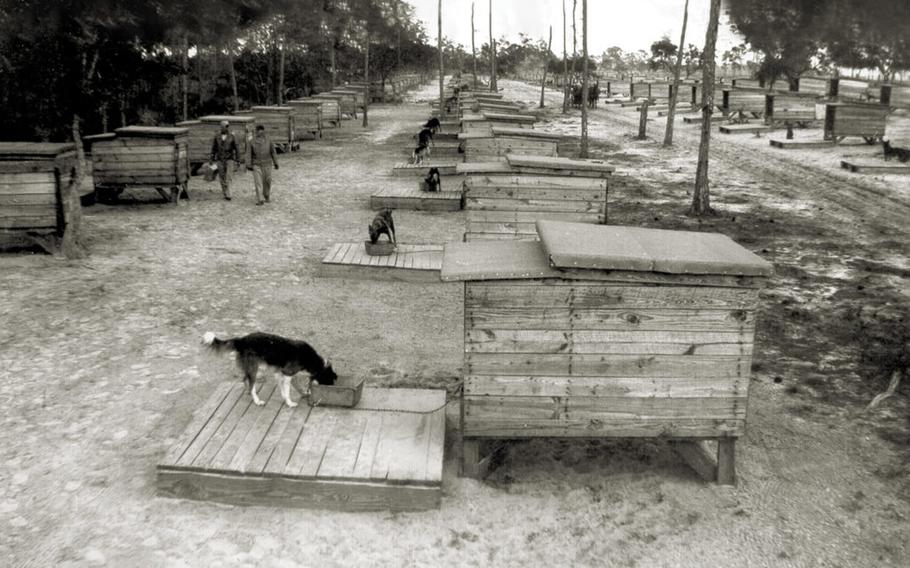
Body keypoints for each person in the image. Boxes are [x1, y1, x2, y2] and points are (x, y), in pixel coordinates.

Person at [246, 124, 279, 205]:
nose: (259, 132)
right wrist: (248, 164)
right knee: (258, 182)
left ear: (263, 131)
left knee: (267, 181)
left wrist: (276, 162)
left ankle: (266, 195)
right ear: (256, 131)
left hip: (267, 164)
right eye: (257, 131)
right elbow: (248, 153)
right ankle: (260, 199)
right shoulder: (252, 141)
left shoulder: (269, 140)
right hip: (256, 165)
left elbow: (273, 152)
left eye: (261, 130)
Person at [210, 120, 239, 200]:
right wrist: (211, 158)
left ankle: (229, 193)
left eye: (227, 126)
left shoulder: (232, 136)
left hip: (230, 159)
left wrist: (238, 159)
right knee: (222, 177)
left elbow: (236, 148)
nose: (226, 128)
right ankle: (225, 192)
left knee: (229, 177)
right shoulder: (217, 136)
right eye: (225, 126)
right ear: (221, 127)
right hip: (220, 159)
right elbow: (214, 148)